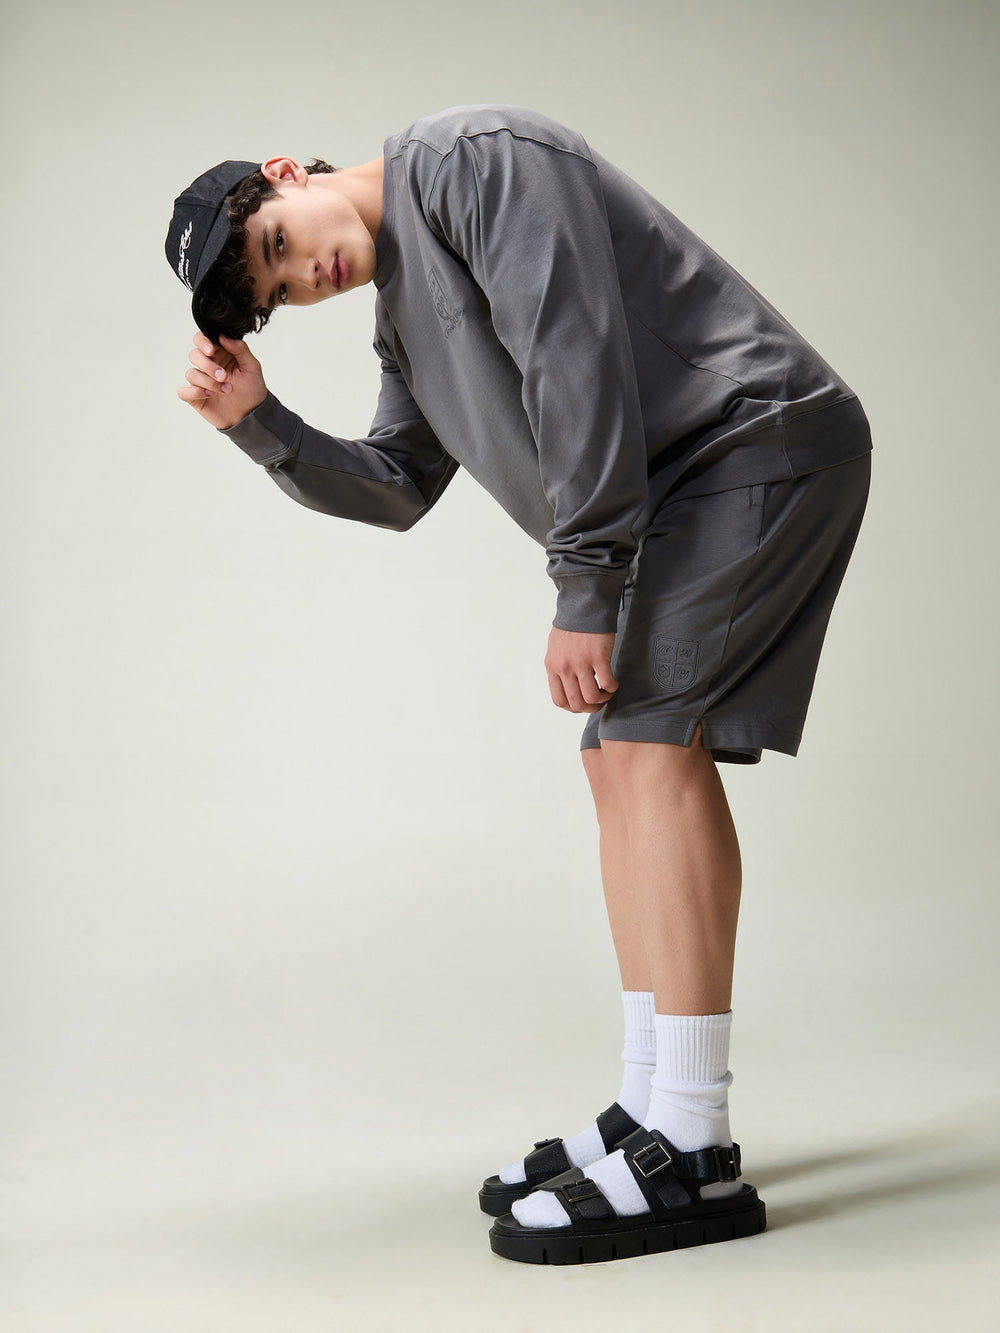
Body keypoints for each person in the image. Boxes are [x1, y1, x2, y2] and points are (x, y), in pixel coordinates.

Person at [164, 102, 872, 1266]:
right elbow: (398, 484)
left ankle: (691, 1140)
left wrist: (584, 586)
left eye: (279, 243)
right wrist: (260, 423)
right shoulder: (400, 323)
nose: (304, 275)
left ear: (287, 172)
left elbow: (572, 354)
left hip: (750, 444)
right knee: (616, 764)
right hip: (673, 492)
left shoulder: (473, 160)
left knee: (647, 745)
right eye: (280, 291)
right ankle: (652, 1101)